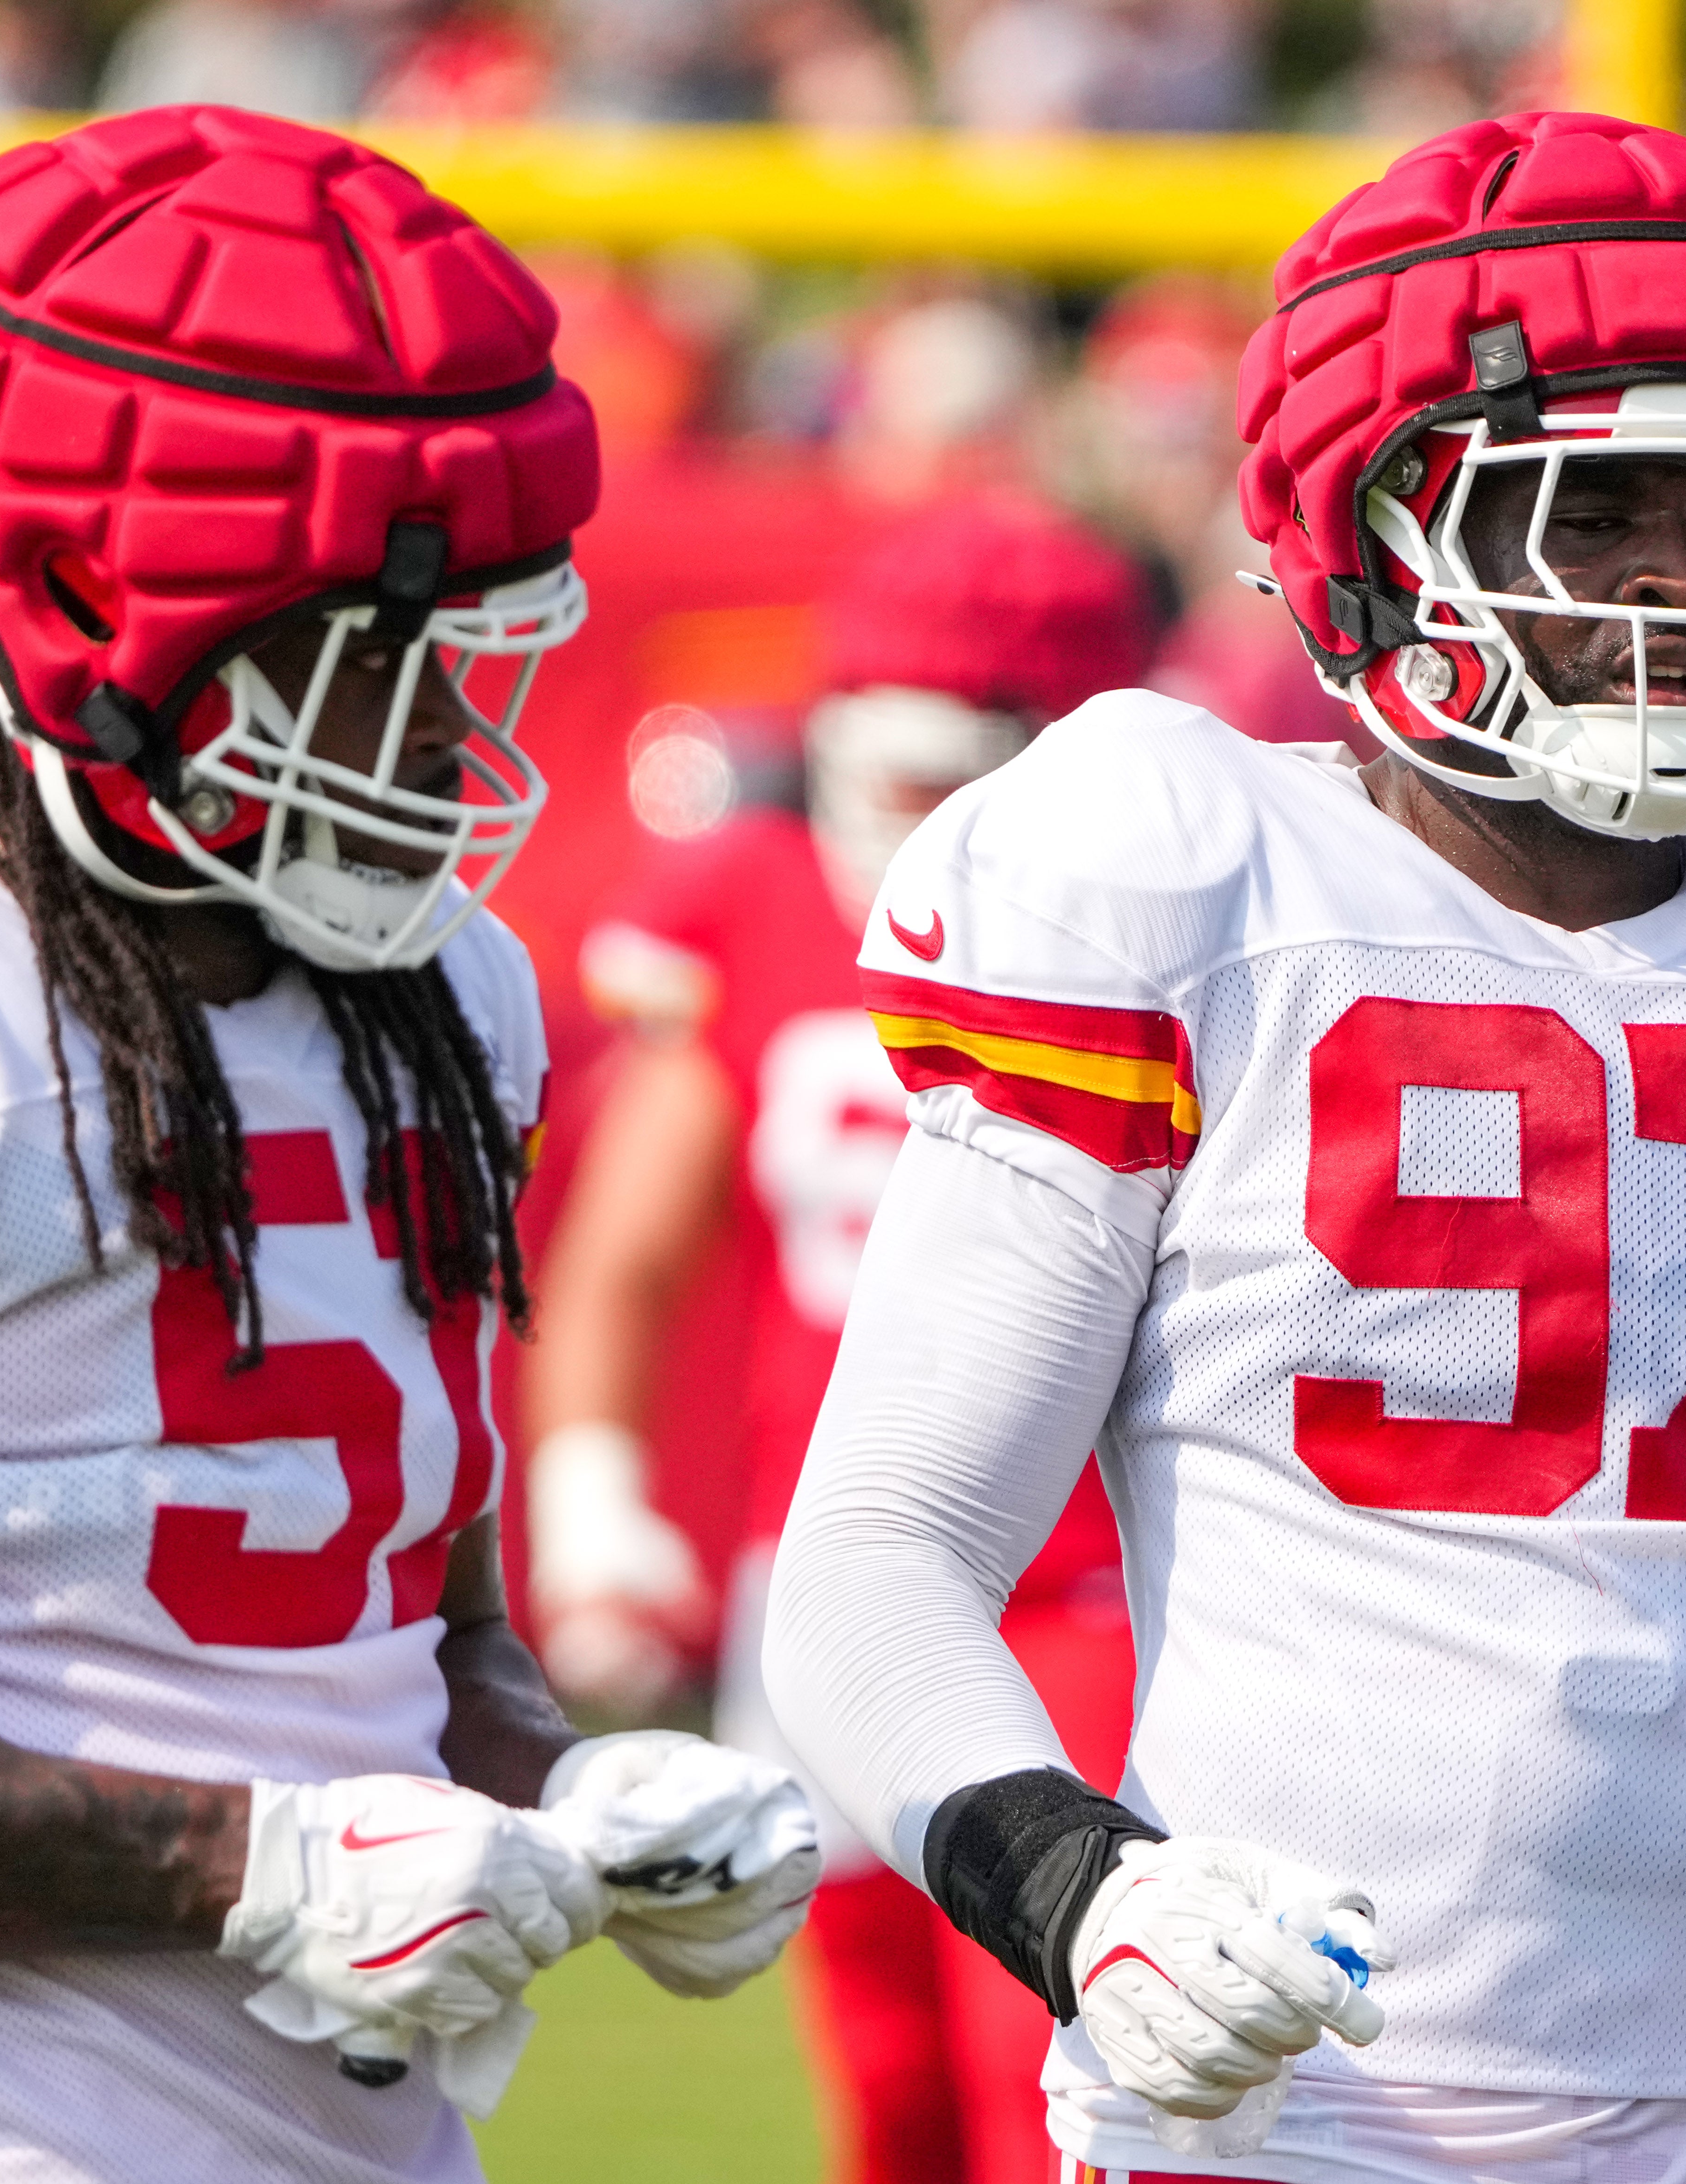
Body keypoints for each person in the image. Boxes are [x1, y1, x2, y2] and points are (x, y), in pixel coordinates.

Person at [765, 111, 1686, 2184]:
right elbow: (876, 1563)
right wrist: (1090, 1894)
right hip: (1279, 2106)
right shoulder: (1180, 874)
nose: (1674, 584)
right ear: (1367, 526)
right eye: (1592, 506)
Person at [0, 109, 812, 2184]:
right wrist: (252, 1868)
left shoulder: (440, 998)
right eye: (350, 647)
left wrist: (571, 1792)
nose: (422, 719)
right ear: (84, 602)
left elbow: (402, 1635)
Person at [532, 492, 1153, 2184]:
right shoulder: (752, 902)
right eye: (891, 778)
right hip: (827, 1579)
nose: (919, 832)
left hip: (1093, 1587)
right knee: (885, 2093)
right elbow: (621, 1254)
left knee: (1057, 2079)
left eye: (965, 780)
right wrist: (594, 1505)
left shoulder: (1180, 927)